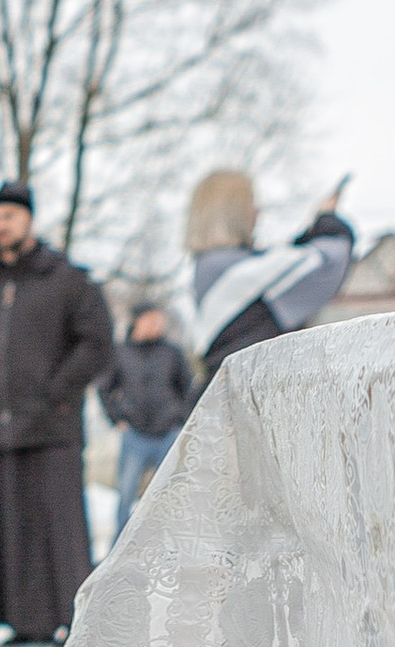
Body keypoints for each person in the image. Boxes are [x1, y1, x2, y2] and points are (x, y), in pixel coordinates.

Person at [0, 182, 113, 647]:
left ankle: (73, 619)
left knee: (58, 529)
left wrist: (55, 392)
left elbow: (96, 343)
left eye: (11, 217)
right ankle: (26, 622)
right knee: (10, 526)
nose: (3, 226)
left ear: (30, 220)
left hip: (51, 427)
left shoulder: (67, 280)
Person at [185, 170, 357, 380]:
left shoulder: (212, 264)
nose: (257, 212)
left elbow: (286, 262)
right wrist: (326, 220)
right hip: (245, 392)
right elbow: (325, 260)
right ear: (232, 212)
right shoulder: (225, 265)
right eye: (250, 203)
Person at [100, 304, 196, 539]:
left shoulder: (172, 352)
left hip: (167, 434)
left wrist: (180, 417)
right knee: (126, 496)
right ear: (138, 322)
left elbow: (188, 388)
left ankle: (176, 544)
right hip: (135, 436)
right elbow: (104, 389)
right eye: (152, 320)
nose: (157, 326)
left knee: (174, 493)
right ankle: (118, 550)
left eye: (159, 321)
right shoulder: (120, 352)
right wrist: (117, 419)